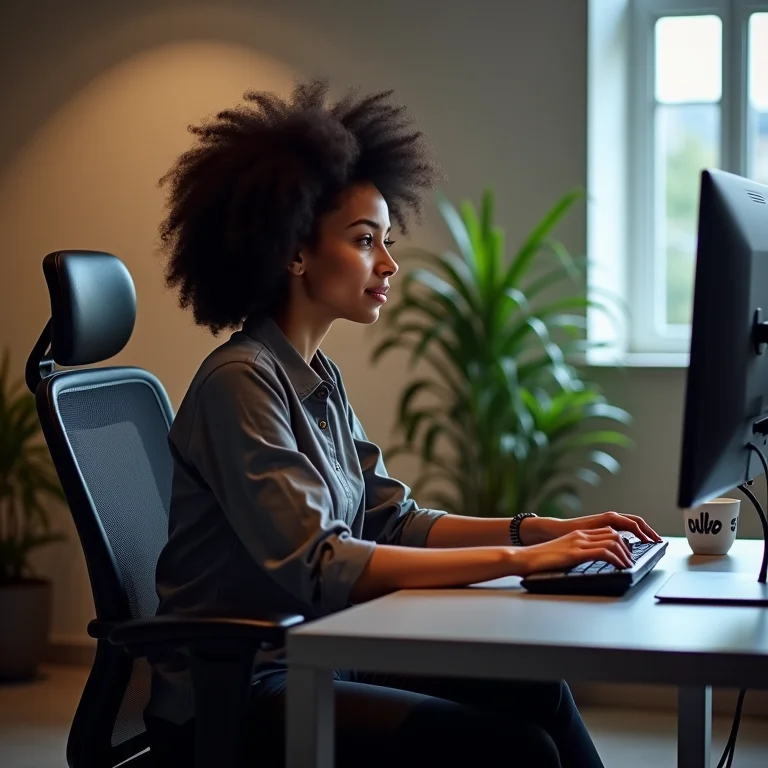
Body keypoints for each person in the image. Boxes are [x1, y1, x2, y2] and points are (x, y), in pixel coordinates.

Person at [144, 79, 662, 768]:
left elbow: (393, 520)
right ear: (295, 251)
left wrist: (538, 529)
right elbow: (321, 564)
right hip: (248, 688)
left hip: (323, 654)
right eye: (365, 241)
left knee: (538, 693)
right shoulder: (239, 384)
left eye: (386, 240)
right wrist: (521, 562)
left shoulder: (315, 376)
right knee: (515, 753)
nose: (388, 264)